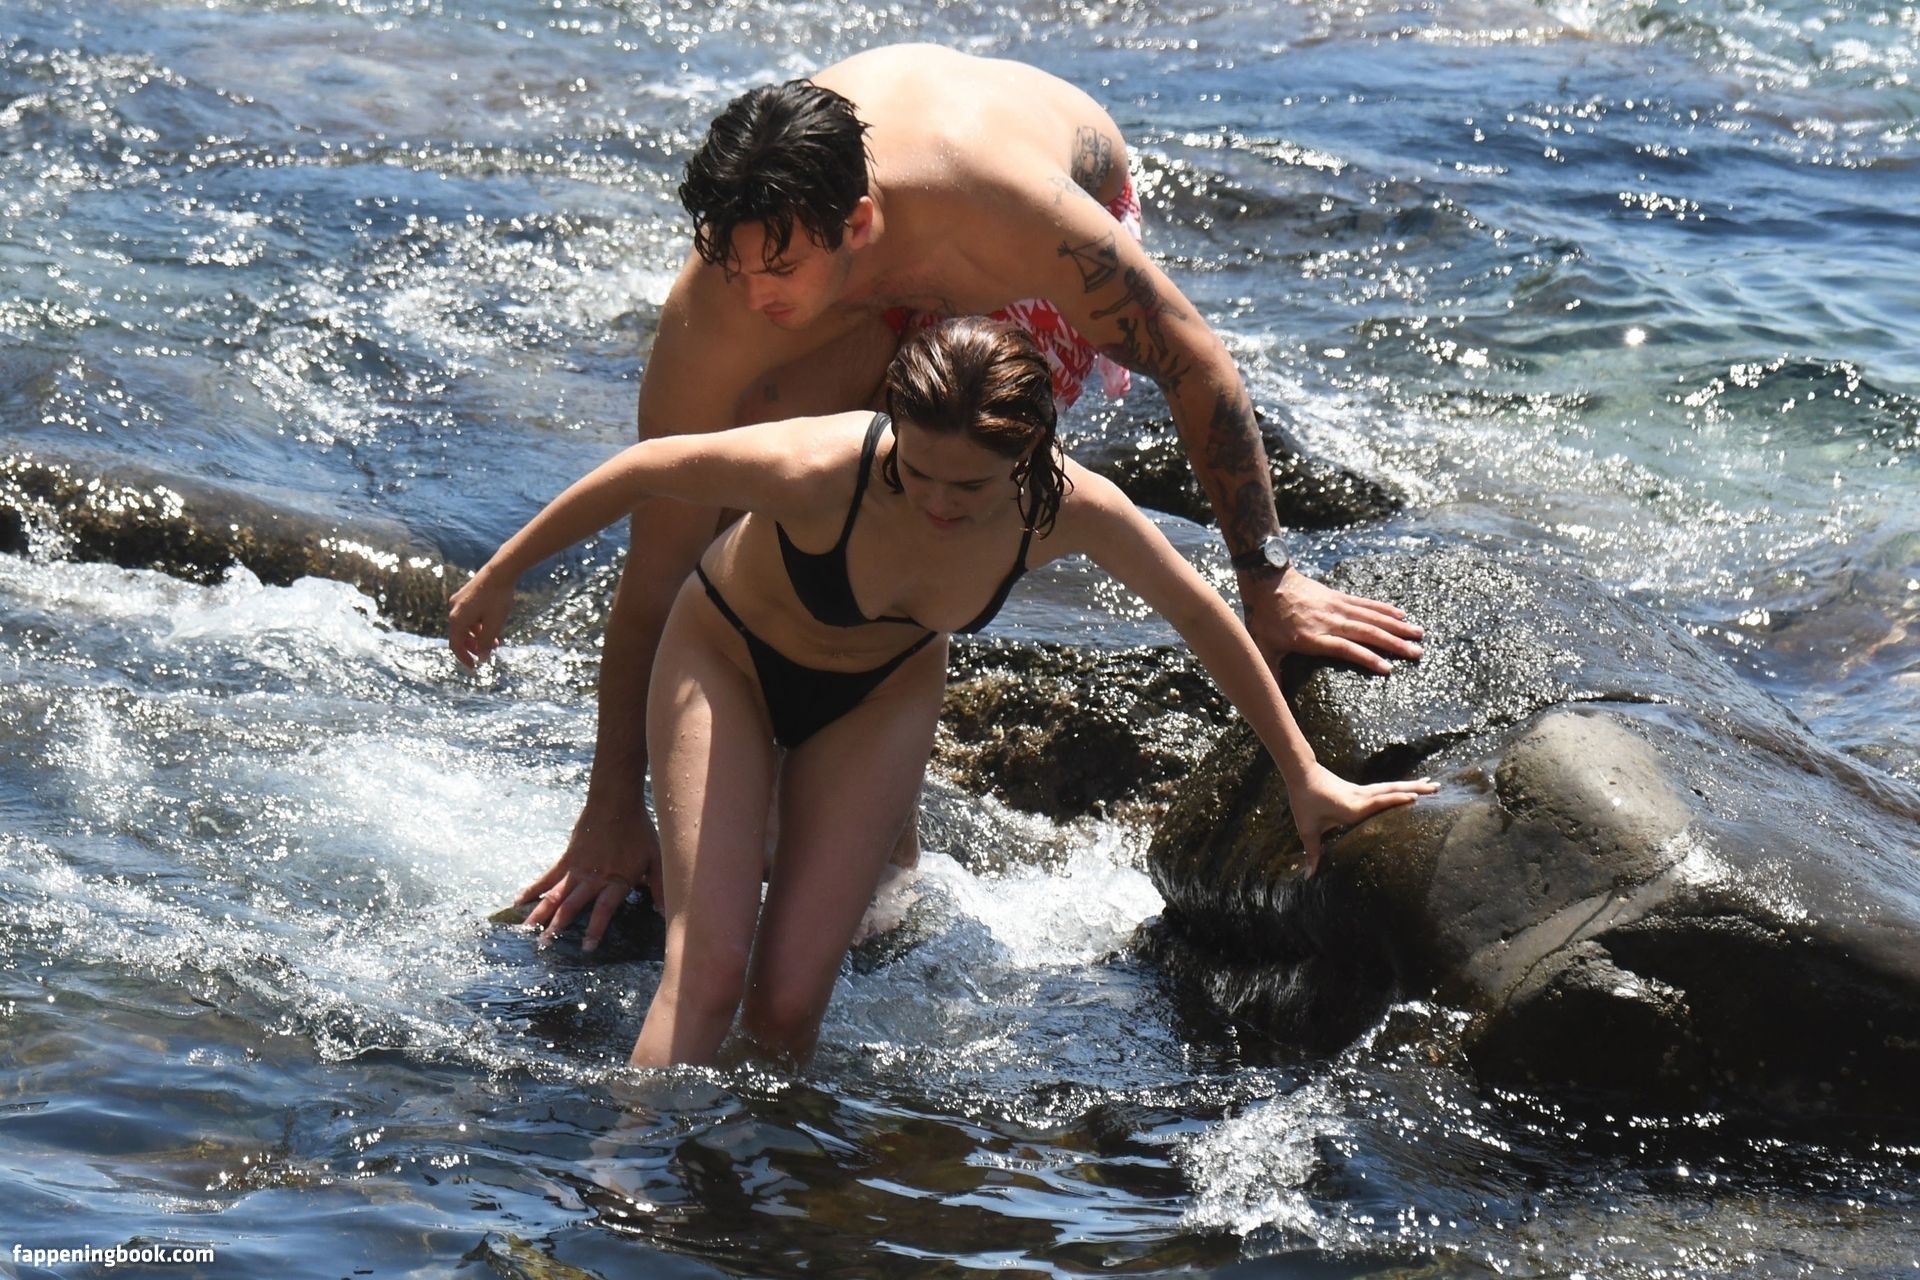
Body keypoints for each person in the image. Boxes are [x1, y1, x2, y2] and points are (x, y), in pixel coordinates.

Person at [517, 45, 1425, 953]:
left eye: (779, 271)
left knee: (934, 485)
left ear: (858, 224)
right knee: (761, 468)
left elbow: (1194, 361)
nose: (752, 298)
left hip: (1017, 245)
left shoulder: (1013, 221)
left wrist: (1269, 580)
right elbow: (659, 561)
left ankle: (878, 820)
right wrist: (610, 811)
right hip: (869, 245)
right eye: (738, 269)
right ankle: (761, 765)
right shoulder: (732, 292)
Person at [450, 319, 1436, 1068]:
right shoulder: (821, 465)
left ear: (1029, 454)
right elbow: (640, 470)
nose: (935, 501)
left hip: (879, 693)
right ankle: (630, 1185)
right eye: (917, 472)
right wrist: (498, 574)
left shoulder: (1075, 509)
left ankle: (742, 1203)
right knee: (707, 971)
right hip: (728, 660)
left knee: (788, 1006)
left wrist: (1303, 774)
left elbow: (1201, 615)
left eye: (969, 488)